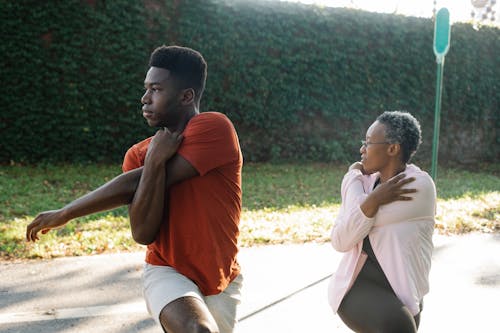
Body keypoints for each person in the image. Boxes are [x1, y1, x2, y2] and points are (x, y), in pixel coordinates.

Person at [26, 45, 243, 333]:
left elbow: (133, 183)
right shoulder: (138, 155)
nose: (144, 98)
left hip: (223, 278)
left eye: (155, 89)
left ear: (186, 96)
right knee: (197, 329)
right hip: (167, 270)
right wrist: (153, 161)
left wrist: (66, 212)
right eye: (146, 89)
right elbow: (142, 233)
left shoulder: (215, 128)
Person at [328, 111, 436, 333]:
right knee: (399, 327)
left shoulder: (417, 186)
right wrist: (367, 192)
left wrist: (352, 181)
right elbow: (341, 240)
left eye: (368, 143)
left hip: (403, 289)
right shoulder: (365, 185)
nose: (362, 150)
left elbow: (353, 221)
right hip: (357, 285)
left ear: (392, 149)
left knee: (403, 325)